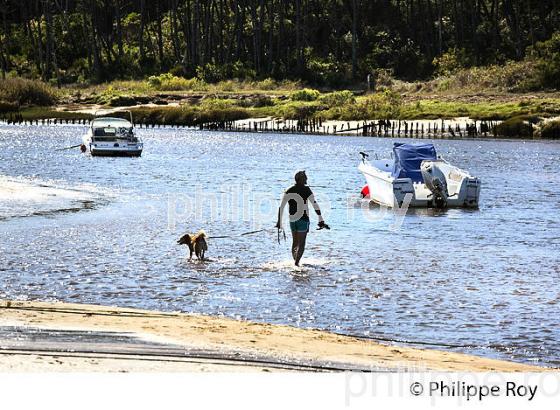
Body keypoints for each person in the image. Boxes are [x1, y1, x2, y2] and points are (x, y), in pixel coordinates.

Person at [276, 170, 328, 266]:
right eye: (305, 177)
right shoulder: (306, 190)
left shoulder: (289, 190)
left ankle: (295, 262)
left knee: (295, 242)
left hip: (292, 220)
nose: (306, 179)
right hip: (303, 219)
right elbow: (314, 204)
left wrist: (279, 221)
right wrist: (320, 217)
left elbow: (281, 207)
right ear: (300, 179)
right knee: (302, 243)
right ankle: (296, 264)